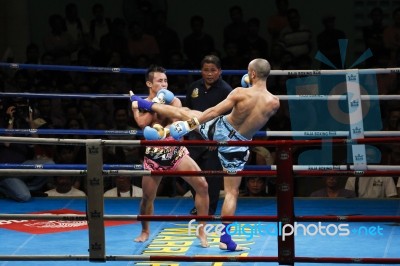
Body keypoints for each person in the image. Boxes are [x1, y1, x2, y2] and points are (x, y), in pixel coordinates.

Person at [130, 58, 280, 251]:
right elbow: (258, 117)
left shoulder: (240, 93)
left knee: (186, 112)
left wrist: (189, 126)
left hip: (221, 130)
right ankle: (226, 237)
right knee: (232, 193)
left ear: (251, 74)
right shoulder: (274, 103)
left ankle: (145, 106)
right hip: (238, 145)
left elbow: (214, 111)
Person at [131, 65, 210, 247]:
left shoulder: (173, 101)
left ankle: (202, 230)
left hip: (176, 152)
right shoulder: (144, 103)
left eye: (166, 80)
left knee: (202, 186)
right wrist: (137, 107)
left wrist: (160, 131)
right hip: (154, 156)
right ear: (149, 83)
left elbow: (176, 126)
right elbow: (143, 124)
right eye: (160, 81)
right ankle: (145, 231)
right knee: (147, 198)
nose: (164, 84)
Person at [185, 55, 233, 216]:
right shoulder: (194, 87)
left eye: (213, 70)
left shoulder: (226, 91)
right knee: (192, 175)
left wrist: (217, 138)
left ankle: (209, 209)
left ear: (220, 71)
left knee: (212, 178)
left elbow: (230, 119)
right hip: (195, 140)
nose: (209, 74)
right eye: (206, 70)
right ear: (201, 71)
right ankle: (198, 205)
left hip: (215, 141)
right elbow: (187, 112)